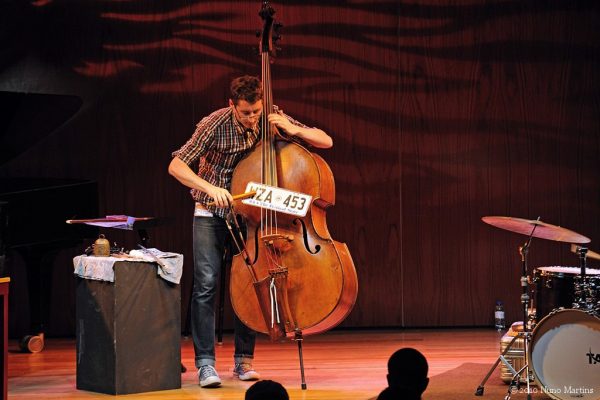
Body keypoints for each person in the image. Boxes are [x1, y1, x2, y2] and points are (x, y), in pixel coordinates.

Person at [168, 75, 333, 388]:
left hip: (250, 215)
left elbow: (326, 141)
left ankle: (244, 360)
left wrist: (293, 128)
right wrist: (209, 188)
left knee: (253, 281)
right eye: (245, 113)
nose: (252, 118)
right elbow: (176, 165)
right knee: (206, 284)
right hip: (211, 211)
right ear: (232, 105)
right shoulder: (214, 124)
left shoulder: (271, 116)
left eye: (256, 111)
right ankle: (205, 364)